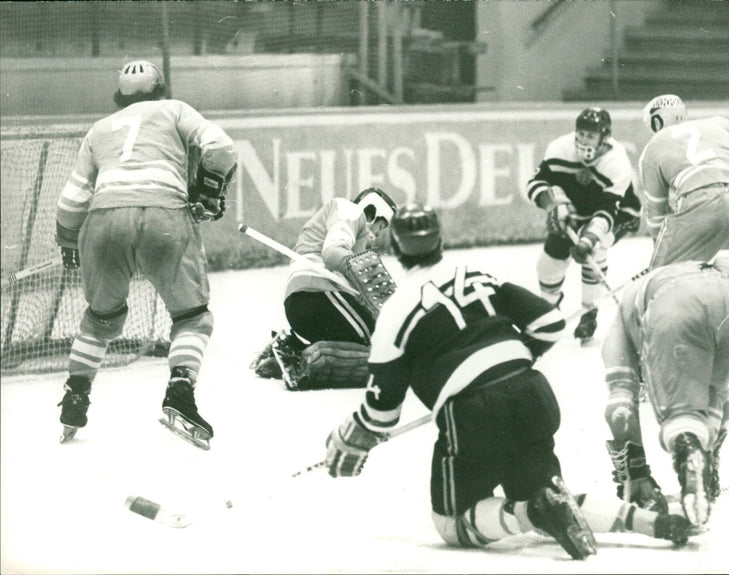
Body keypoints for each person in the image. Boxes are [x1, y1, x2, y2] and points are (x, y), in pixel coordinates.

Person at [324, 204, 692, 560]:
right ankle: (654, 522)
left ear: (395, 249)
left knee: (452, 522)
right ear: (440, 240)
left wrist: (350, 436)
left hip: (472, 414)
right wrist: (509, 357)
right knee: (547, 492)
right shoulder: (478, 274)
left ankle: (531, 513)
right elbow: (549, 325)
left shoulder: (395, 310)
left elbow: (381, 413)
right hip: (531, 392)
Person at [55, 60, 237, 450]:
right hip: (164, 216)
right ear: (160, 89)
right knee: (192, 316)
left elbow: (71, 202)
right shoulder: (174, 109)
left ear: (119, 97)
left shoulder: (99, 129)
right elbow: (221, 148)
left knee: (100, 319)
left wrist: (70, 243)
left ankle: (75, 395)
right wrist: (207, 191)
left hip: (103, 222)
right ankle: (180, 393)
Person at [601, 257, 729, 527]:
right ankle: (707, 458)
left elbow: (621, 409)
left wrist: (635, 474)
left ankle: (689, 446)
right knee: (715, 388)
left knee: (680, 416)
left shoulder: (622, 324)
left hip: (679, 302)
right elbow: (723, 396)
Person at [639, 94, 729, 394]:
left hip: (702, 200)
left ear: (655, 123)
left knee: (660, 286)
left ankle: (645, 371)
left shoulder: (652, 149)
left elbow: (657, 220)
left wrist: (663, 261)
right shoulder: (717, 123)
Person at [251, 187, 397, 390]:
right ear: (372, 211)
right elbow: (332, 252)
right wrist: (363, 281)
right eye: (380, 226)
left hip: (303, 301)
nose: (378, 234)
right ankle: (301, 359)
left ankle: (293, 352)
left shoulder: (352, 227)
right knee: (380, 344)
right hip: (320, 293)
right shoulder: (350, 211)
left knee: (370, 344)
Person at [526, 107, 639, 344]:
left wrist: (589, 238)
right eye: (581, 134)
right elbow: (536, 182)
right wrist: (552, 204)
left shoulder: (616, 162)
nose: (583, 141)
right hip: (575, 211)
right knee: (548, 263)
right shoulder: (559, 148)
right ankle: (547, 308)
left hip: (619, 214)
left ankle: (589, 312)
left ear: (604, 138)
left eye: (590, 136)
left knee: (594, 251)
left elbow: (608, 210)